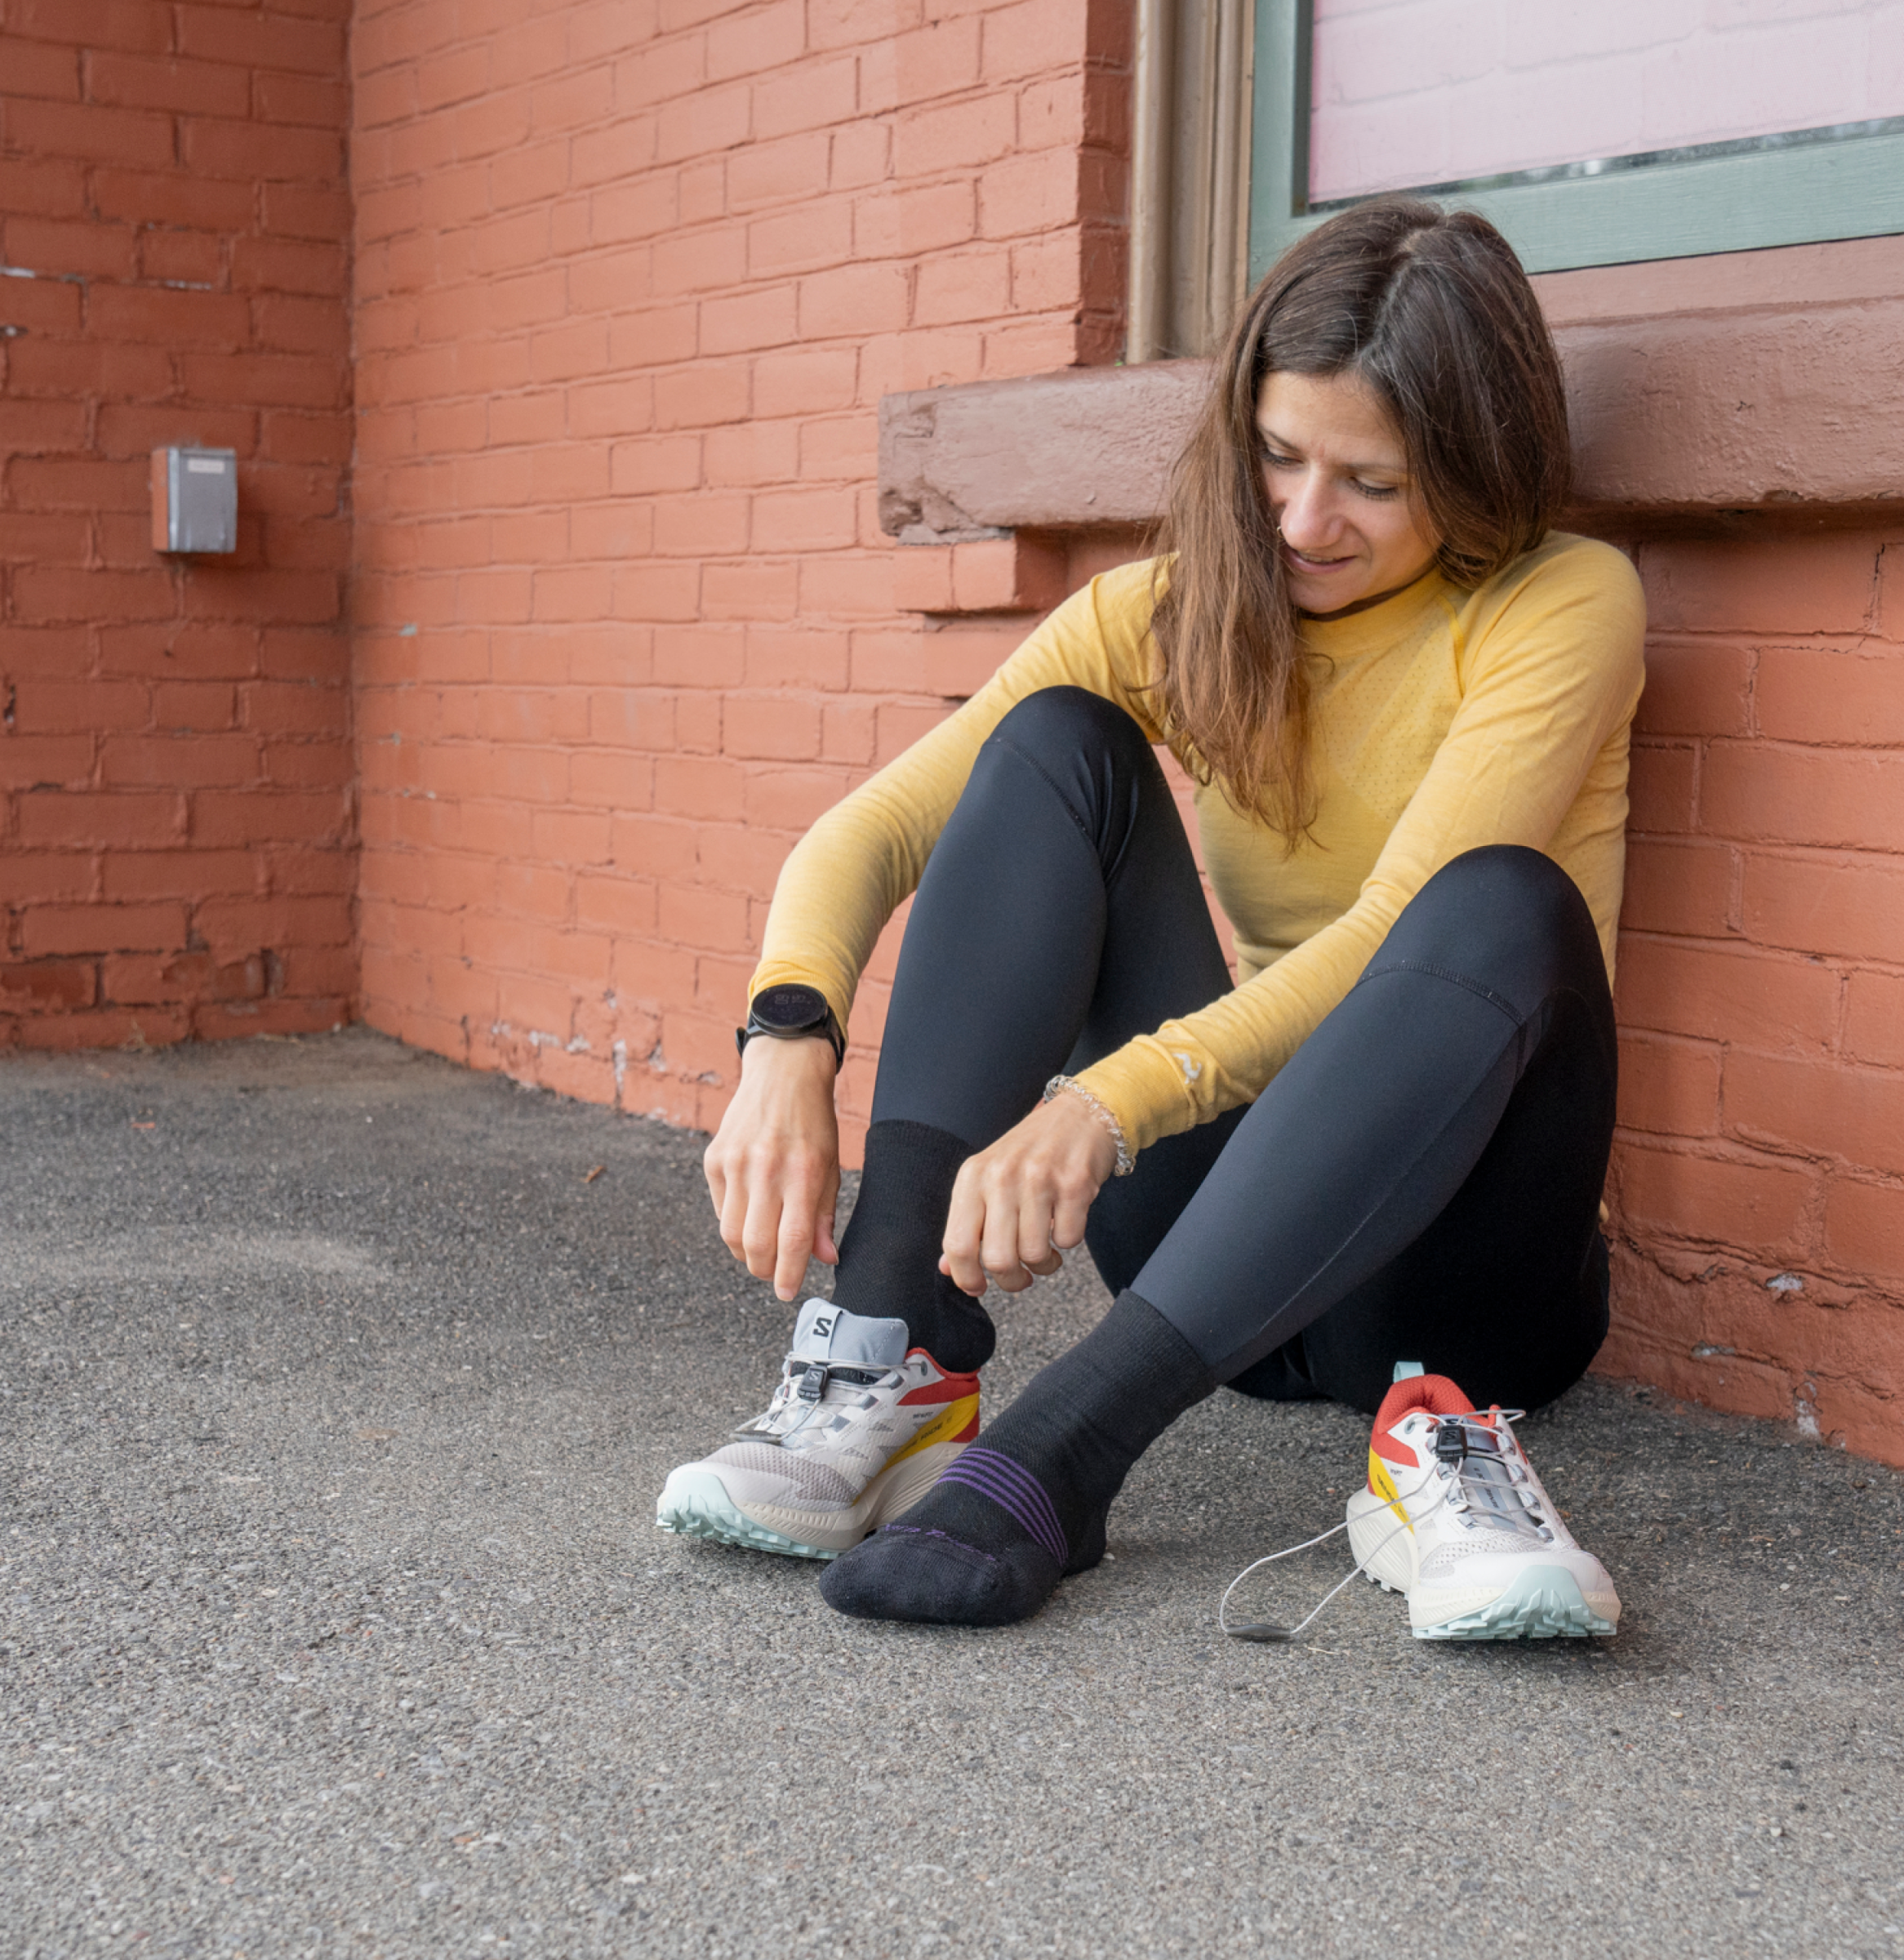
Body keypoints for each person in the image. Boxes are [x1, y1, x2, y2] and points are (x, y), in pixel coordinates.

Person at [656, 197, 1644, 1639]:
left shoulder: (1564, 604)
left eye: (1372, 482)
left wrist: (1108, 1103)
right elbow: (869, 829)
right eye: (1279, 455)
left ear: (1475, 467)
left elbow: (1384, 935)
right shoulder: (1171, 611)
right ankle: (890, 1351)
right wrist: (787, 1033)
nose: (1307, 521)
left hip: (1461, 1270)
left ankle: (1093, 1451)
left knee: (1498, 903)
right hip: (1219, 1259)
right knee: (1055, 742)